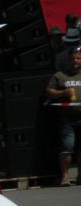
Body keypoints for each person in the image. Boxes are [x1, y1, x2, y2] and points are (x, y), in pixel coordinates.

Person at [47, 46, 81, 186]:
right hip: (67, 118)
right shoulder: (60, 75)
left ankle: (80, 177)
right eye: (73, 58)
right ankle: (65, 177)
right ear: (69, 59)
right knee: (67, 147)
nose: (75, 61)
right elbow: (48, 92)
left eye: (78, 58)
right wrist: (62, 93)